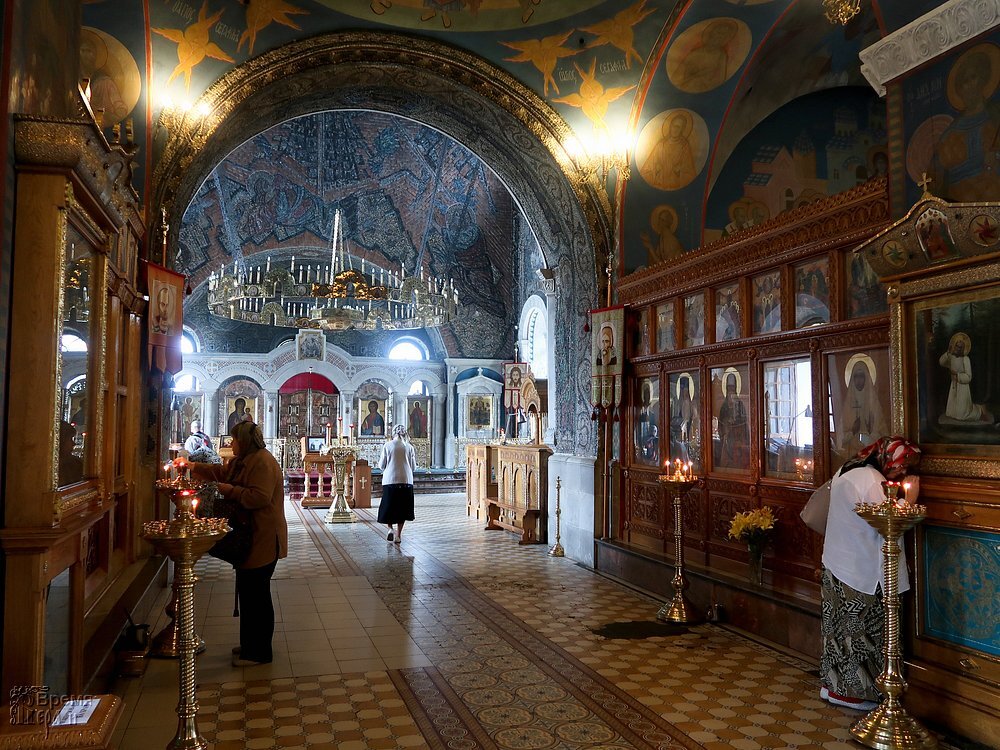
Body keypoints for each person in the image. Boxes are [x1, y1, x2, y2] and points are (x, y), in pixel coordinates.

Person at [820, 436, 921, 711]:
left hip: (839, 564)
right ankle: (853, 694)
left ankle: (832, 686)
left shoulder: (849, 469)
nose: (903, 473)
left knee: (837, 631)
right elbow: (888, 523)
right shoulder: (870, 480)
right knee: (860, 635)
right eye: (901, 466)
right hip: (862, 572)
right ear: (887, 458)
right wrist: (909, 500)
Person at [192, 420, 287, 667]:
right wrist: (192, 466)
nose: (229, 443)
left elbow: (259, 497)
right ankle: (250, 645)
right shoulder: (243, 460)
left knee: (257, 595)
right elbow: (222, 473)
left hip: (263, 537)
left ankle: (259, 652)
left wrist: (228, 490)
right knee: (248, 592)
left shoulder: (262, 461)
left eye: (234, 439)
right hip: (250, 535)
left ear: (244, 441)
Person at [938, 332, 992, 423]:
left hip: (963, 388)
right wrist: (948, 353)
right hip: (953, 387)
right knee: (951, 413)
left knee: (963, 415)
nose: (958, 349)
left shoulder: (965, 359)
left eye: (960, 347)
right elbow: (941, 362)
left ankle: (979, 410)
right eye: (956, 346)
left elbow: (968, 376)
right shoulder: (951, 357)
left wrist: (957, 375)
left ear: (963, 348)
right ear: (954, 346)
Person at [377, 424, 416, 544]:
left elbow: (381, 465)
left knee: (389, 507)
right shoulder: (409, 447)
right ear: (405, 434)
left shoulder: (388, 446)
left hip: (390, 480)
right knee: (402, 509)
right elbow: (413, 467)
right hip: (405, 481)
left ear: (393, 434)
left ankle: (390, 529)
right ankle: (398, 535)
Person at [717, 372, 748, 469]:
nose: (730, 392)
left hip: (738, 438)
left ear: (735, 390)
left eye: (732, 389)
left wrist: (735, 424)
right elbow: (720, 423)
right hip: (727, 437)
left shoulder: (740, 404)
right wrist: (726, 424)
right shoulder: (724, 407)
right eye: (728, 389)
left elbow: (744, 421)